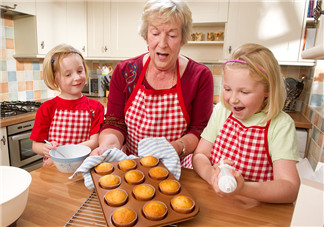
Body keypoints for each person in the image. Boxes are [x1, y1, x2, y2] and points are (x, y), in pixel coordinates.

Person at [91, 0, 214, 168]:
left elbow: (200, 130)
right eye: (155, 33)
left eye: (172, 35)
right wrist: (108, 146)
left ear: (183, 39)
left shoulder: (200, 76)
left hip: (177, 166)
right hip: (130, 165)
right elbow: (114, 122)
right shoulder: (124, 71)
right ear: (146, 35)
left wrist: (175, 148)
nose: (162, 43)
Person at [192, 43, 300, 203]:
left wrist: (243, 189)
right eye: (228, 89)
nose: (233, 99)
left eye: (244, 92)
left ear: (268, 90)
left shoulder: (280, 124)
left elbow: (290, 188)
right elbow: (200, 155)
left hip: (256, 210)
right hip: (215, 201)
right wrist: (210, 175)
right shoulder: (222, 111)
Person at [30, 44, 104, 165]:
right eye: (68, 74)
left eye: (80, 71)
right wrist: (44, 149)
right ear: (55, 79)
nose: (77, 77)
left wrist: (69, 154)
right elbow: (36, 145)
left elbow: (94, 141)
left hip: (83, 164)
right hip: (54, 166)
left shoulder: (96, 107)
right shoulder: (47, 108)